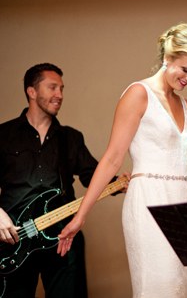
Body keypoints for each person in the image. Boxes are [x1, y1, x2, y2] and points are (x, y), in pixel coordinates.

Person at [57, 23, 187, 298]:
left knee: (185, 289)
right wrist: (80, 217)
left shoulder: (185, 106)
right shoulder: (138, 94)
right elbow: (112, 159)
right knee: (160, 288)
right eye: (185, 69)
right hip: (149, 202)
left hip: (184, 203)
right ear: (167, 58)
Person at [0, 63, 129, 297]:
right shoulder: (3, 135)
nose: (59, 95)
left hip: (63, 236)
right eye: (52, 88)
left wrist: (120, 183)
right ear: (31, 91)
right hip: (12, 240)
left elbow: (92, 175)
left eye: (61, 88)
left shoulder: (70, 137)